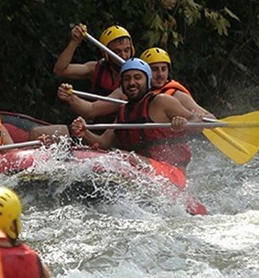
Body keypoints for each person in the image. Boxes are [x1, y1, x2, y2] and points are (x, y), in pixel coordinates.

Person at [69, 58, 205, 172]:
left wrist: (184, 124)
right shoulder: (123, 111)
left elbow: (197, 123)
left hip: (171, 173)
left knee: (117, 157)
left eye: (137, 78)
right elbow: (104, 143)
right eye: (127, 79)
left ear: (148, 81)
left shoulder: (161, 101)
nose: (132, 83)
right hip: (142, 172)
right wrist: (84, 133)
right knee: (111, 156)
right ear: (122, 84)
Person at [57, 47, 215, 121]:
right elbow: (91, 110)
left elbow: (209, 118)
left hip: (161, 159)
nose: (160, 74)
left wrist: (200, 117)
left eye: (163, 69)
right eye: (154, 69)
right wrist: (72, 97)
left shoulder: (175, 95)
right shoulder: (127, 92)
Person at [53, 24, 135, 96]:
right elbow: (60, 70)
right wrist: (75, 41)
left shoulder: (139, 74)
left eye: (127, 50)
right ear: (105, 53)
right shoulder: (95, 69)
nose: (123, 56)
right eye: (117, 52)